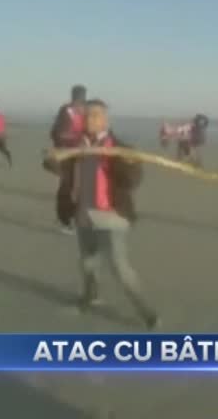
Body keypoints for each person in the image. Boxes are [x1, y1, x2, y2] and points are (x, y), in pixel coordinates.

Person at [71, 99, 159, 329]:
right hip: (83, 212)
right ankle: (91, 296)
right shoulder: (77, 146)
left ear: (105, 120)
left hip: (111, 216)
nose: (90, 119)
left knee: (120, 268)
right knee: (87, 261)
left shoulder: (119, 147)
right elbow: (63, 171)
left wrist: (129, 164)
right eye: (87, 115)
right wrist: (51, 160)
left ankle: (147, 312)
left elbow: (133, 181)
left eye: (95, 115)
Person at [50, 85, 87, 234]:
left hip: (81, 155)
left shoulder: (85, 111)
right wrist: (76, 139)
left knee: (78, 188)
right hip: (67, 155)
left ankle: (73, 219)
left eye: (82, 101)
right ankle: (65, 221)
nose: (80, 105)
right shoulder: (66, 111)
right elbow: (57, 133)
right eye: (79, 100)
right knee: (67, 187)